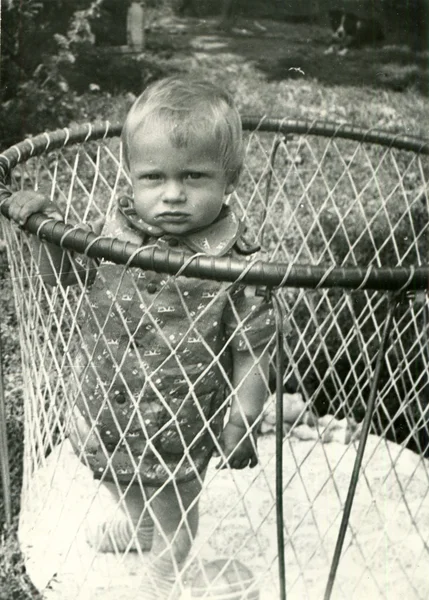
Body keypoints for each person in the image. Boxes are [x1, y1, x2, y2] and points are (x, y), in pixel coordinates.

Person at [7, 76, 275, 599]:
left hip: (181, 416)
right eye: (153, 177)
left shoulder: (238, 266)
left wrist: (245, 416)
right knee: (111, 475)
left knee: (174, 503)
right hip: (103, 403)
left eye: (194, 176)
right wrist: (44, 225)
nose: (172, 195)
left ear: (230, 179)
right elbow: (61, 277)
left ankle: (165, 570)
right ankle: (138, 524)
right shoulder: (116, 235)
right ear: (130, 177)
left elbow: (256, 347)